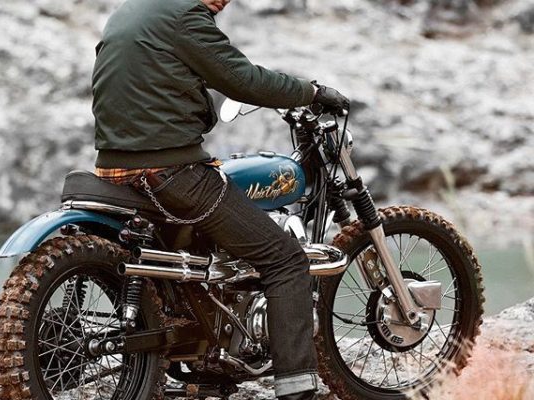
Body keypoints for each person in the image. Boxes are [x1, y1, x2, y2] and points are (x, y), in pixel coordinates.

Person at [91, 0, 349, 399]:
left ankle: (208, 352)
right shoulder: (185, 16)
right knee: (285, 258)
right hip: (172, 171)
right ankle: (297, 388)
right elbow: (241, 79)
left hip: (112, 169)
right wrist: (310, 92)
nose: (223, 3)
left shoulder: (131, 10)